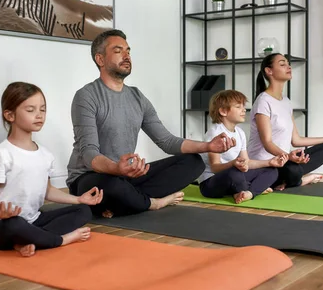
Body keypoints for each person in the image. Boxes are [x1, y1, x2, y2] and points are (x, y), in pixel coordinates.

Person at [67, 29, 233, 218]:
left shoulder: (137, 97)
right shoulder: (86, 96)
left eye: (128, 51)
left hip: (126, 176)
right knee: (111, 186)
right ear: (100, 59)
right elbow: (89, 153)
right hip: (89, 177)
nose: (126, 55)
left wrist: (208, 146)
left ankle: (124, 203)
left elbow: (167, 141)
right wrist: (116, 168)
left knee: (194, 161)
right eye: (118, 50)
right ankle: (152, 203)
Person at [0, 82, 104, 257]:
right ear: (10, 115)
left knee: (84, 210)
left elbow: (47, 190)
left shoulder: (45, 155)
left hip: (34, 221)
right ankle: (61, 240)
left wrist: (79, 199)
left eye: (42, 109)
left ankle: (26, 241)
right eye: (30, 110)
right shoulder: (0, 153)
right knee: (15, 224)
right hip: (4, 226)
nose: (39, 115)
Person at [247, 53, 323, 190]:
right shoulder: (263, 101)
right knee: (293, 171)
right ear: (269, 71)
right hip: (266, 164)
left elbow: (296, 140)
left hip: (284, 161)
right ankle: (298, 180)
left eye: (288, 63)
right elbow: (267, 143)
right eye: (282, 64)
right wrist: (289, 157)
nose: (288, 66)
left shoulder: (286, 102)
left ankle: (287, 181)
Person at [198, 90, 288, 203]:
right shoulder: (215, 133)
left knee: (272, 170)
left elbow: (247, 162)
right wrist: (233, 163)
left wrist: (269, 162)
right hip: (210, 184)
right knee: (234, 173)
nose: (244, 109)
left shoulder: (240, 133)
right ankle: (253, 188)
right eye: (238, 106)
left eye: (243, 106)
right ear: (223, 111)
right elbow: (215, 167)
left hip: (234, 176)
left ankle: (249, 193)